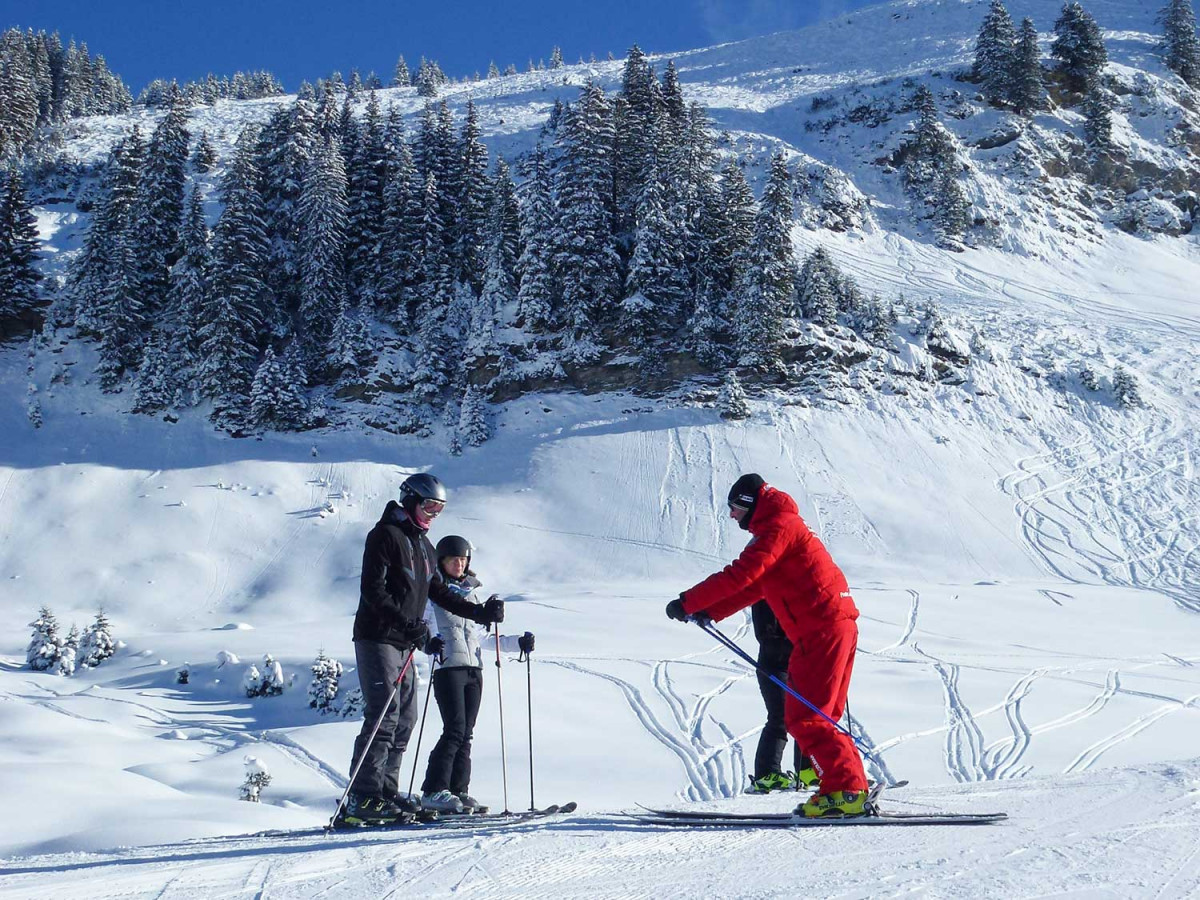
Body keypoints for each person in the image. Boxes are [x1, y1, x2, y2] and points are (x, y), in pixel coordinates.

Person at [665, 473, 869, 817]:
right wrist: (708, 611)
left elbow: (741, 573)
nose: (732, 515)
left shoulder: (778, 527)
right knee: (821, 716)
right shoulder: (784, 526)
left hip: (820, 630)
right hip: (833, 626)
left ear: (748, 503)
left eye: (733, 507)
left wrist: (687, 601)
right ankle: (850, 788)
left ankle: (845, 792)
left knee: (805, 718)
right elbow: (756, 587)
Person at [342, 473, 504, 826]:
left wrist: (480, 613)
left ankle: (385, 792)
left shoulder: (425, 547)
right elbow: (373, 590)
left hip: (403, 641)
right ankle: (362, 796)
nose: (433, 514)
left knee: (405, 718)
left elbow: (440, 593)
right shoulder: (385, 535)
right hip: (377, 636)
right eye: (430, 506)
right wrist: (407, 623)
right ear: (411, 500)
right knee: (384, 715)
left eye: (439, 509)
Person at [418, 535, 535, 814]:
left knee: (466, 733)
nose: (458, 565)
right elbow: (422, 629)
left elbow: (482, 637)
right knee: (455, 729)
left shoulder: (471, 595)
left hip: (474, 669)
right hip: (448, 668)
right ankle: (434, 790)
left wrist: (517, 643)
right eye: (453, 560)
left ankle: (458, 790)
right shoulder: (433, 595)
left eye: (462, 560)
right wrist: (429, 644)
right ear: (441, 562)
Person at [746, 599, 819, 794]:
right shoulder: (766, 596)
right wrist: (799, 643)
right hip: (774, 666)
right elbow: (767, 637)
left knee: (806, 715)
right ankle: (766, 774)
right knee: (780, 716)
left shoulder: (793, 593)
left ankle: (806, 770)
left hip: (799, 663)